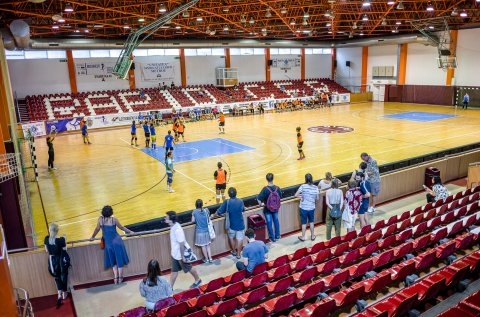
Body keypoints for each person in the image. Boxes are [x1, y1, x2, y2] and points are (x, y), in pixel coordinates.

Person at [90, 206, 133, 284]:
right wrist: (130, 232)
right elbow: (122, 228)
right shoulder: (114, 219)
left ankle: (115, 278)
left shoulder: (100, 219)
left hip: (108, 243)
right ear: (111, 212)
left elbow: (96, 229)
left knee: (112, 261)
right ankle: (120, 278)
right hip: (118, 242)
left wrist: (92, 237)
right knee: (119, 260)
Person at [165, 211, 202, 289]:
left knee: (189, 268)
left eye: (166, 217)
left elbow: (181, 244)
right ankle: (170, 288)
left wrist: (183, 257)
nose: (165, 218)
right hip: (175, 254)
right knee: (174, 271)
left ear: (171, 220)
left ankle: (198, 279)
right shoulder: (173, 226)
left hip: (180, 255)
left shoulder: (177, 229)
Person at [217, 187, 245, 259]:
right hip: (240, 224)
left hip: (231, 225)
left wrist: (213, 215)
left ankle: (233, 251)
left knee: (231, 237)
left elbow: (219, 212)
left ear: (228, 194)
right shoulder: (240, 201)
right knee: (240, 239)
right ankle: (238, 254)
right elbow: (243, 209)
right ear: (236, 193)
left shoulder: (227, 202)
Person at [44, 223, 68, 308]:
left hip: (52, 261)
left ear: (50, 230)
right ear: (57, 230)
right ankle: (64, 293)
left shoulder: (46, 239)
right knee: (64, 276)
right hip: (60, 260)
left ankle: (59, 295)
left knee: (56, 277)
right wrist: (65, 239)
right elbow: (65, 249)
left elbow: (46, 250)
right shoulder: (60, 240)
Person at [257, 173, 283, 242]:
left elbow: (259, 199)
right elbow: (280, 198)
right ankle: (278, 235)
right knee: (276, 221)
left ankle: (272, 238)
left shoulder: (265, 189)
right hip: (275, 208)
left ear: (266, 179)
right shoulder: (277, 188)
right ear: (273, 178)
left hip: (267, 209)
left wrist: (261, 204)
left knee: (269, 222)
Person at [295, 173, 319, 241]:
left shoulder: (303, 186)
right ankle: (312, 236)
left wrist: (301, 197)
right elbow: (317, 198)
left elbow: (296, 195)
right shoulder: (315, 187)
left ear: (305, 179)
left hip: (303, 208)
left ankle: (303, 237)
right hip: (311, 207)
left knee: (304, 223)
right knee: (311, 222)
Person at [191, 199, 213, 263]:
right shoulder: (206, 210)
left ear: (196, 205)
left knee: (203, 246)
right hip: (207, 231)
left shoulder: (194, 212)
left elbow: (192, 221)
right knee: (208, 245)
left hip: (200, 232)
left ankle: (206, 259)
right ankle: (210, 258)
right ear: (202, 204)